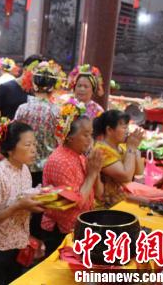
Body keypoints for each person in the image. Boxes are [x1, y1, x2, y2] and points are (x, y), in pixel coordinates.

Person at [0, 121, 45, 285]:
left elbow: (24, 204)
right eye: (28, 145)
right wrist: (17, 205)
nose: (34, 149)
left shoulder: (25, 169)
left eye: (34, 144)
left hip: (17, 242)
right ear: (10, 149)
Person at [41, 109, 104, 256]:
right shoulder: (60, 161)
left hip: (80, 226)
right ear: (69, 137)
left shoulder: (80, 155)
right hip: (61, 231)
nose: (90, 140)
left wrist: (96, 171)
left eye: (91, 134)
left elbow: (100, 195)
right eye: (85, 135)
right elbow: (77, 202)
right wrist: (92, 174)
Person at [14, 60, 65, 187]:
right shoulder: (56, 111)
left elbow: (13, 133)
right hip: (48, 165)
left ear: (34, 85)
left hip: (23, 163)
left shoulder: (23, 108)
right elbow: (61, 138)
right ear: (52, 87)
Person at [93, 110, 145, 207]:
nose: (127, 131)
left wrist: (135, 148)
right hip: (107, 206)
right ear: (109, 130)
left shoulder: (122, 147)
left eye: (127, 127)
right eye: (124, 127)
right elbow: (126, 177)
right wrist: (131, 149)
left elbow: (139, 173)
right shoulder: (101, 150)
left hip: (123, 198)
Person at [0, 55, 45, 119]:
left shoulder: (40, 92)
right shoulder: (5, 87)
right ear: (25, 69)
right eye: (36, 70)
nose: (39, 75)